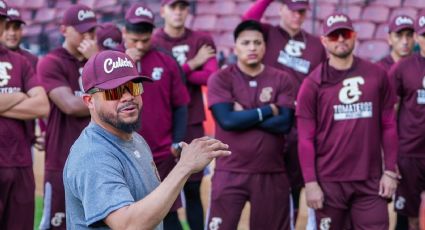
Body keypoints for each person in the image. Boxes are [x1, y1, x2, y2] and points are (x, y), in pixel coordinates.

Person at [63, 50, 230, 230]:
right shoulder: (93, 155)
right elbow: (128, 225)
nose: (127, 97)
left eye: (134, 87)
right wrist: (184, 167)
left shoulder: (135, 139)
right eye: (114, 91)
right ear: (89, 101)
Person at [296, 13, 399, 229]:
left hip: (370, 181)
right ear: (324, 41)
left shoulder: (377, 75)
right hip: (329, 184)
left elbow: (388, 125)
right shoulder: (312, 84)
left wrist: (389, 170)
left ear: (355, 36)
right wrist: (311, 182)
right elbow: (305, 138)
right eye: (334, 36)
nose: (341, 39)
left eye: (346, 33)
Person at [206, 20, 295, 230]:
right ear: (235, 46)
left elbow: (284, 124)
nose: (252, 48)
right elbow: (227, 121)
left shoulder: (282, 79)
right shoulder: (221, 79)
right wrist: (266, 110)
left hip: (271, 173)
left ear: (265, 46)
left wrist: (244, 115)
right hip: (229, 171)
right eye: (246, 43)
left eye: (257, 42)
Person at [243, 0, 327, 218]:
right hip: (271, 117)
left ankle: (291, 216)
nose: (297, 16)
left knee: (296, 176)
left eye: (301, 11)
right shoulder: (267, 33)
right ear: (280, 9)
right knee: (266, 175)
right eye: (292, 10)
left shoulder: (316, 45)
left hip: (301, 119)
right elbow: (247, 20)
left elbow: (323, 83)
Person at [116, 3, 190, 229]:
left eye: (145, 39)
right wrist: (126, 62)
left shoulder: (166, 61)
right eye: (134, 39)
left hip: (160, 155)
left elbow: (181, 105)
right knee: (125, 215)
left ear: (152, 34)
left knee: (168, 215)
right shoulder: (113, 62)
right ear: (124, 33)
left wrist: (176, 141)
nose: (139, 45)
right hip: (122, 154)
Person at [152, 0, 218, 228]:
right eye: (173, 7)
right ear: (163, 10)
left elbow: (211, 76)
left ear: (188, 10)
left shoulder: (201, 39)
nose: (178, 12)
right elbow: (153, 81)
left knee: (192, 188)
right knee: (164, 189)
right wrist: (193, 64)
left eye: (182, 7)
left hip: (191, 121)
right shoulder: (153, 41)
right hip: (161, 124)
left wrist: (179, 72)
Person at [37, 4, 99, 229]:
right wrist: (96, 66)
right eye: (82, 30)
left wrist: (94, 61)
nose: (88, 36)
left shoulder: (98, 58)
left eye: (92, 30)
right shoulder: (51, 62)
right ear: (64, 30)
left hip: (97, 161)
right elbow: (71, 105)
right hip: (61, 159)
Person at [0, 0, 50, 229]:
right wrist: (20, 95)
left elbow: (41, 106)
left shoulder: (23, 61)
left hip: (20, 161)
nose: (5, 29)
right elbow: (32, 100)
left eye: (4, 22)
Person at [389, 12, 425, 230]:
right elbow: (389, 113)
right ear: (418, 39)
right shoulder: (403, 67)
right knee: (408, 218)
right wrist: (391, 156)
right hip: (410, 154)